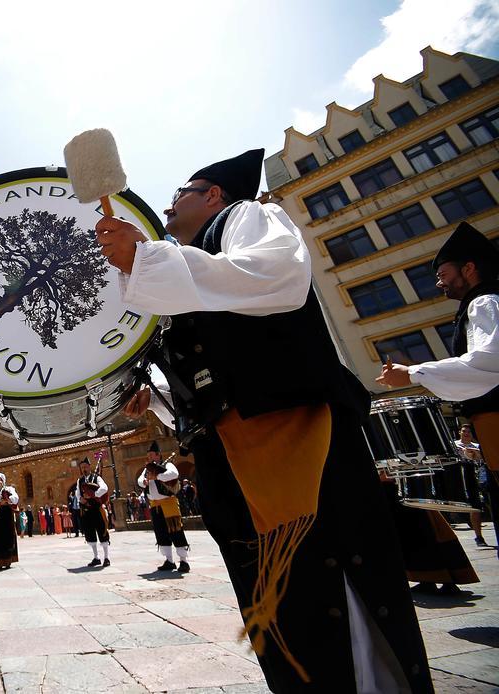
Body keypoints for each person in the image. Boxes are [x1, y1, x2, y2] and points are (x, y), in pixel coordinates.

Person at [99, 150, 431, 691]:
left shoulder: (248, 218)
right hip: (229, 453)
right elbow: (210, 375)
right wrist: (157, 396)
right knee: (280, 610)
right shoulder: (185, 271)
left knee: (334, 592)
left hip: (293, 434)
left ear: (213, 195)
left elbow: (276, 278)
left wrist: (145, 260)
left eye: (181, 192)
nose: (168, 203)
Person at [378, 221, 499, 558]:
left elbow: (490, 361)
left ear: (469, 268)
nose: (439, 281)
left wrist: (413, 372)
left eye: (444, 273)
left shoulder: (485, 302)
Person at [138, 447, 190, 574]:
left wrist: (157, 476)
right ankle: (169, 560)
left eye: (151, 454)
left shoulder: (168, 464)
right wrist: (144, 481)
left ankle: (183, 561)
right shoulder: (146, 469)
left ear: (158, 455)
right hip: (155, 505)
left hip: (169, 504)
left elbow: (174, 474)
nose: (149, 457)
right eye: (148, 455)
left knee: (176, 531)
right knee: (161, 532)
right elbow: (139, 480)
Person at [454, 425, 487, 546]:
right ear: (459, 432)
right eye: (464, 431)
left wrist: (477, 455)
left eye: (469, 431)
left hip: (477, 477)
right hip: (461, 478)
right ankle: (478, 536)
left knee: (477, 506)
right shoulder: (454, 445)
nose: (466, 433)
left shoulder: (477, 446)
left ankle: (479, 535)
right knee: (473, 506)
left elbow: (483, 460)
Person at [75, 459, 110, 567]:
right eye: (82, 467)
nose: (84, 469)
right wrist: (80, 499)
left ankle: (106, 557)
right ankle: (96, 557)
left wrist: (94, 495)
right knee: (90, 533)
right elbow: (77, 493)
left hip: (97, 510)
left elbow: (104, 488)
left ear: (90, 466)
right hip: (86, 511)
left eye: (85, 466)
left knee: (102, 531)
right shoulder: (79, 481)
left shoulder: (96, 478)